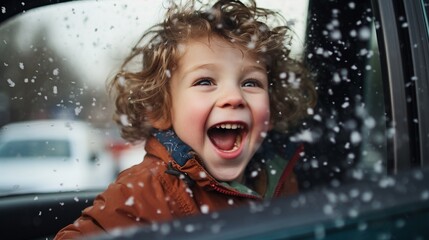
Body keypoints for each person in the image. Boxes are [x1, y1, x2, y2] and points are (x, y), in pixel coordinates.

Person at [55, 0, 316, 239]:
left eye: (251, 82)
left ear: (271, 110)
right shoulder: (144, 191)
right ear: (162, 110)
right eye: (205, 81)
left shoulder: (281, 175)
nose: (234, 97)